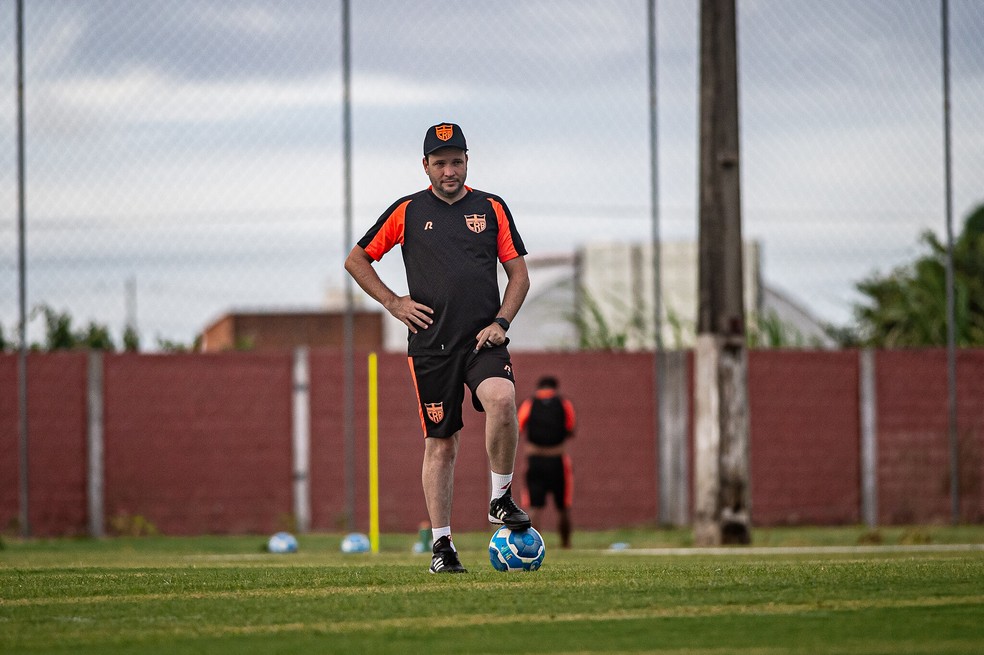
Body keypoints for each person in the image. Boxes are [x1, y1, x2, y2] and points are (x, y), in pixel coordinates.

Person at [344, 122, 532, 574]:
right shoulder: (407, 211)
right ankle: (442, 546)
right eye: (441, 162)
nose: (450, 170)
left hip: (482, 341)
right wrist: (393, 302)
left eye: (457, 161)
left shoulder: (491, 208)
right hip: (430, 346)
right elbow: (357, 260)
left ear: (468, 161)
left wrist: (502, 322)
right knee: (442, 445)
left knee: (503, 400)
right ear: (425, 165)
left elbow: (519, 276)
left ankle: (500, 499)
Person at [517, 375, 576, 548]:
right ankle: (566, 545)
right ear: (555, 388)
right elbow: (571, 429)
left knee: (534, 506)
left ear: (539, 387)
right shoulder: (565, 404)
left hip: (535, 460)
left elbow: (518, 426)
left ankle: (535, 545)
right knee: (564, 505)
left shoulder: (529, 403)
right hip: (558, 459)